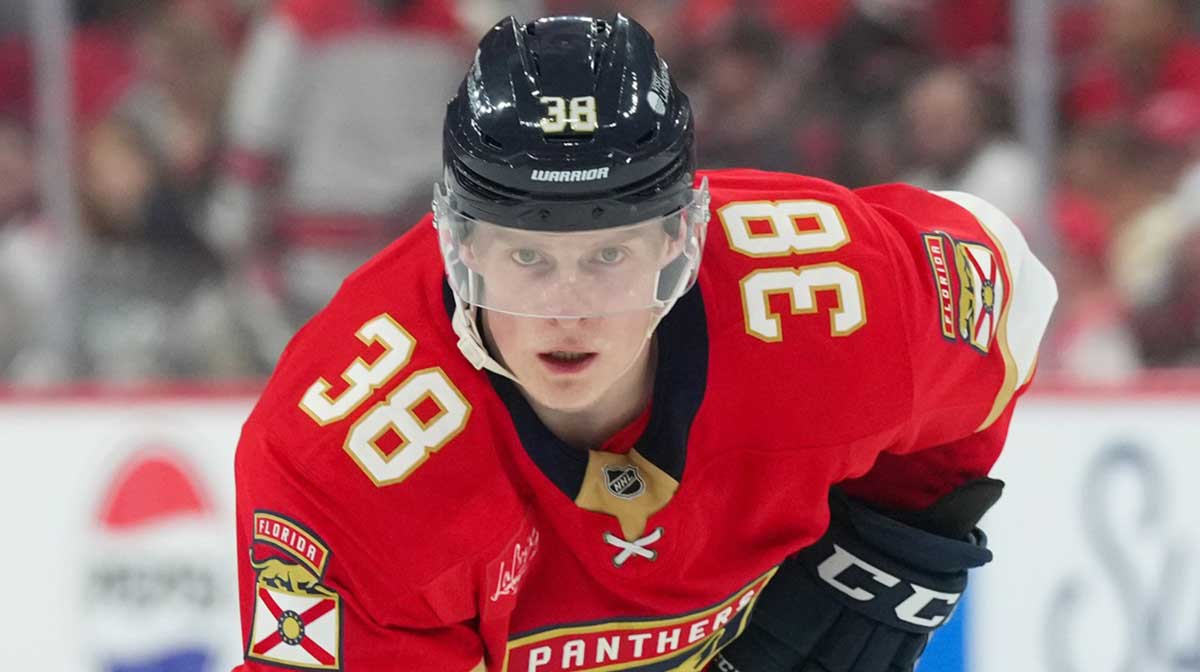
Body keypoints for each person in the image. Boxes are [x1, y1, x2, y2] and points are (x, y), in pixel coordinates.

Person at [233, 15, 1057, 672]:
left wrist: (892, 540)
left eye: (610, 254)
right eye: (526, 256)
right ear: (460, 249)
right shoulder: (345, 457)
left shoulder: (824, 302)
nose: (567, 311)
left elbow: (1010, 288)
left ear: (680, 243)